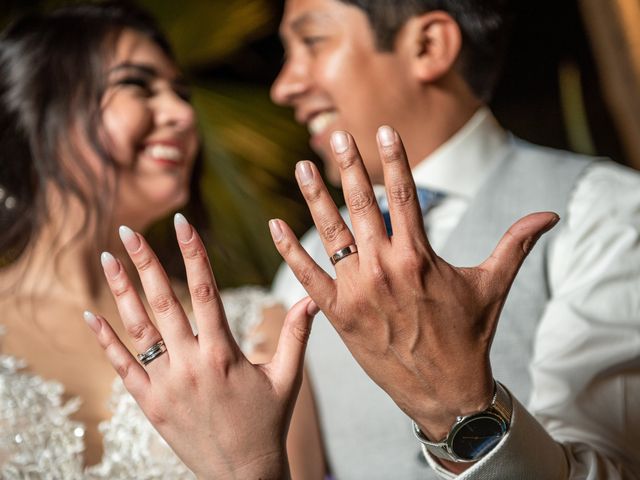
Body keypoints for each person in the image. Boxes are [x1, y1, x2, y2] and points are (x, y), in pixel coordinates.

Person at [268, 0, 640, 478]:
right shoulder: (303, 264)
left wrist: (456, 408)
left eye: (312, 41)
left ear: (429, 46)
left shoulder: (605, 210)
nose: (284, 87)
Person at [0, 2, 325, 478]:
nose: (181, 114)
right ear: (39, 108)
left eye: (180, 93)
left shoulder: (253, 329)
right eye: (136, 85)